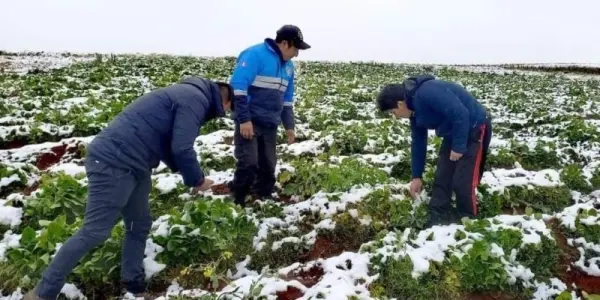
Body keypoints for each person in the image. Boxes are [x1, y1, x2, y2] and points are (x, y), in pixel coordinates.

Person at [25, 76, 234, 300]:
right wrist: (197, 180)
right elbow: (182, 147)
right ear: (224, 101)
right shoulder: (195, 100)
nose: (223, 114)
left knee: (139, 223)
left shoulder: (186, 93)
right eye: (227, 110)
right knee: (94, 232)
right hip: (114, 161)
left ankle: (133, 284)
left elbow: (166, 142)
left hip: (135, 163)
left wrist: (189, 175)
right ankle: (42, 293)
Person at [376, 74, 492, 227]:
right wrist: (416, 177)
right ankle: (437, 219)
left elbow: (461, 113)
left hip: (474, 127)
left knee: (462, 182)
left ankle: (468, 224)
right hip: (453, 132)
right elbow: (419, 142)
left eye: (393, 112)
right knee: (442, 177)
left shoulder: (428, 92)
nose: (395, 116)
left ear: (400, 104)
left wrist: (458, 147)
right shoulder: (413, 112)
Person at [227, 25, 311, 206]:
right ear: (285, 43)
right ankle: (238, 196)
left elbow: (287, 100)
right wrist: (244, 119)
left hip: (270, 122)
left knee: (268, 165)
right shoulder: (254, 55)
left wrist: (289, 127)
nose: (297, 54)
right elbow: (238, 89)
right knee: (249, 162)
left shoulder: (288, 68)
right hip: (250, 120)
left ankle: (263, 195)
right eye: (296, 48)